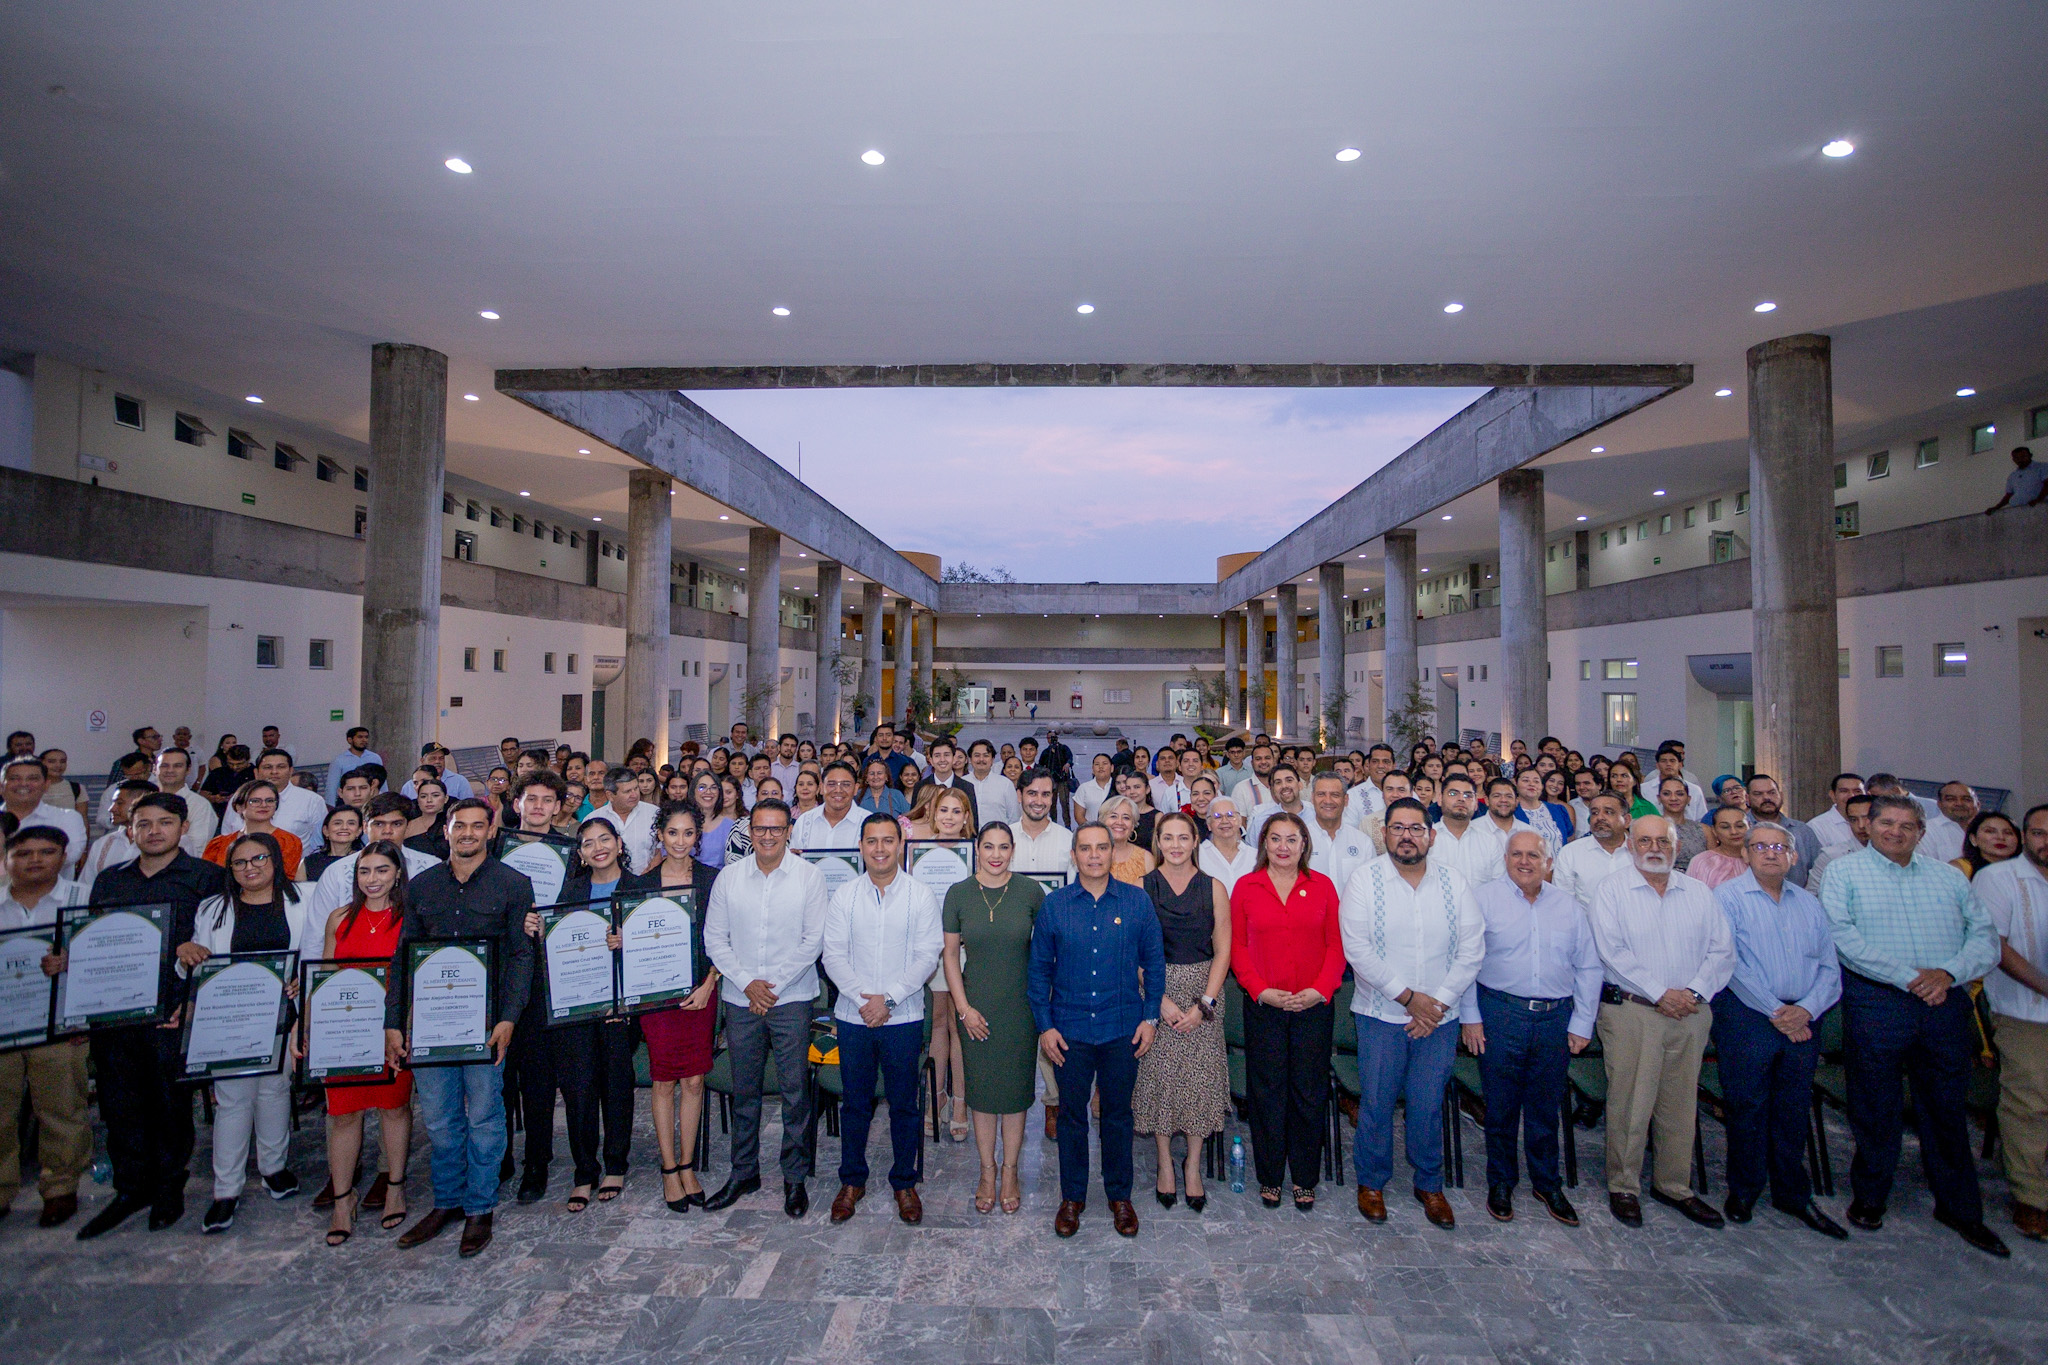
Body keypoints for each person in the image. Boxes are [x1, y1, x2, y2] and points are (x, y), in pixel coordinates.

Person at [1820, 794, 2008, 1256]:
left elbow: (1983, 937)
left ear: (1921, 833)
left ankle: (1959, 1207)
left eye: (1907, 826)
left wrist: (1946, 974)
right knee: (1875, 1105)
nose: (1896, 832)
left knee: (1946, 1107)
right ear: (1868, 826)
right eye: (1887, 823)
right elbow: (1842, 936)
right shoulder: (1844, 873)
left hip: (1944, 1002)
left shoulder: (1949, 877)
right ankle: (1870, 1197)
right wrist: (1909, 977)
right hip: (1878, 1000)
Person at [71, 793, 225, 1237]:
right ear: (129, 830)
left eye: (164, 822)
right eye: (144, 824)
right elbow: (93, 942)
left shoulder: (207, 879)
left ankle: (169, 1187)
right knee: (119, 1103)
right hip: (114, 1012)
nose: (154, 831)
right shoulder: (109, 881)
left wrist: (189, 1004)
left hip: (171, 1012)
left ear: (182, 827)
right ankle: (130, 1187)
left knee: (168, 1102)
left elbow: (214, 945)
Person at [385, 799, 532, 1259]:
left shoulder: (513, 884)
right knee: (442, 1121)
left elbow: (521, 957)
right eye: (458, 826)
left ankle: (479, 1208)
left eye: (476, 826)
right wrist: (394, 1021)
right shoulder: (422, 886)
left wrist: (509, 1017)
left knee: (485, 1119)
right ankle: (446, 1201)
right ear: (445, 831)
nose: (467, 833)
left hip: (486, 1024)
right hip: (430, 1026)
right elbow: (403, 956)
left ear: (491, 831)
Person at [1339, 799, 1484, 1228]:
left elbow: (1472, 947)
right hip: (1381, 1014)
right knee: (1378, 1103)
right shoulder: (1364, 880)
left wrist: (1434, 1002)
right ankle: (1372, 1182)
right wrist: (1408, 998)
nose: (1407, 835)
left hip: (1438, 1019)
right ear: (1384, 834)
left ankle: (1429, 1184)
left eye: (1415, 828)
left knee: (1426, 1104)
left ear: (1430, 836)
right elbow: (1358, 949)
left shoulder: (1454, 882)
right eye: (1398, 828)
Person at [1588, 815, 1736, 1229]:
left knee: (1680, 1103)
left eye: (1664, 841)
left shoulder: (1700, 892)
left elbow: (1722, 951)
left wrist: (1693, 992)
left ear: (1676, 846)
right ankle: (1624, 1185)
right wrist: (1661, 993)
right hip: (1635, 1011)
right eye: (1645, 840)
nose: (1655, 847)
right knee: (1632, 1103)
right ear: (1630, 844)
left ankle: (1674, 1185)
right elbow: (1611, 951)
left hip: (1690, 1012)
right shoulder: (1612, 890)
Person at [1710, 822, 1846, 1238]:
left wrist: (1804, 1010)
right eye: (1760, 846)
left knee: (1792, 1109)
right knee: (1747, 1106)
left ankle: (1792, 1193)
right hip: (1749, 1016)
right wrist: (1777, 1011)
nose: (1771, 853)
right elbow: (1731, 962)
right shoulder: (1726, 898)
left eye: (1779, 847)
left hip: (1804, 1019)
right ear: (1746, 855)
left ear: (1793, 856)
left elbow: (1829, 969)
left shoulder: (1809, 904)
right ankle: (1744, 1189)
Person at [1458, 830, 1600, 1225]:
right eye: (1516, 854)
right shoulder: (1483, 900)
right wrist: (1471, 1016)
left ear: (1548, 862)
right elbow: (1466, 960)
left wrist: (1582, 1021)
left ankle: (1546, 1182)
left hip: (1556, 1017)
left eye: (1533, 855)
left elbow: (1588, 966)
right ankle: (1501, 1181)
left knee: (1545, 1105)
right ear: (1506, 859)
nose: (1524, 861)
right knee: (1500, 1107)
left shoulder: (1569, 907)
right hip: (1501, 1013)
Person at [1030, 822, 1163, 1239]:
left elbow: (1155, 965)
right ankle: (1072, 1198)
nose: (1093, 855)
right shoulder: (1055, 906)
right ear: (1074, 856)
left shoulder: (1138, 902)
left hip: (1122, 1028)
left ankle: (1119, 1197)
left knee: (1118, 1115)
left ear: (1112, 853)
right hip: (1069, 1031)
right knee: (1071, 1117)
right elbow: (1038, 972)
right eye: (1085, 848)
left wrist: (1151, 1017)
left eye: (1101, 848)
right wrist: (1045, 1027)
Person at [702, 798, 828, 1218]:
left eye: (776, 829)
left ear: (789, 830)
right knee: (745, 1091)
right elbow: (715, 939)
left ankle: (794, 1177)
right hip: (741, 999)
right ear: (749, 832)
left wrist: (769, 986)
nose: (768, 836)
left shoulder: (809, 878)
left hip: (790, 998)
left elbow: (813, 941)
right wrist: (746, 982)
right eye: (760, 829)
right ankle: (744, 1172)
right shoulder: (729, 878)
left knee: (794, 1092)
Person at [183, 832, 309, 1232]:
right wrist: (187, 955)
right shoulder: (213, 908)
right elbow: (195, 962)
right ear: (230, 869)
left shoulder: (302, 902)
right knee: (233, 1099)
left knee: (274, 1091)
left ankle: (274, 1168)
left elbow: (319, 953)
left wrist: (301, 985)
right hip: (229, 1018)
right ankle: (226, 1189)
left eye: (258, 859)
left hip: (281, 1015)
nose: (250, 868)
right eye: (240, 863)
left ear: (275, 861)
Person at [822, 813, 941, 1226]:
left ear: (900, 844)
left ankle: (904, 1182)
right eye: (871, 841)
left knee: (904, 1105)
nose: (879, 849)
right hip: (853, 1017)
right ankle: (852, 1180)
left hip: (903, 1016)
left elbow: (927, 955)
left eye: (887, 840)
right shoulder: (844, 896)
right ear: (860, 846)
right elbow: (832, 954)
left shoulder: (920, 895)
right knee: (855, 1103)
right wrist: (862, 999)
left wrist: (887, 999)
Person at [308, 842, 415, 1245]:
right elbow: (327, 976)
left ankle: (395, 1187)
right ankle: (342, 1199)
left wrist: (402, 1027)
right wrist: (312, 1026)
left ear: (398, 874)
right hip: (345, 1032)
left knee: (394, 1109)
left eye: (382, 870)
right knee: (344, 1116)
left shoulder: (409, 919)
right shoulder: (339, 919)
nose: (373, 880)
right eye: (365, 871)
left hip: (390, 1030)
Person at [943, 821, 1046, 1215]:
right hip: (975, 1005)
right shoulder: (959, 893)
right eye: (989, 846)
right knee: (983, 1095)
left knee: (1016, 1094)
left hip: (1020, 1007)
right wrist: (964, 1008)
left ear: (1013, 850)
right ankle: (986, 1171)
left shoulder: (1030, 892)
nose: (996, 854)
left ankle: (1010, 1171)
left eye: (1004, 847)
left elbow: (1046, 951)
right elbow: (951, 956)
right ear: (977, 849)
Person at [541, 819, 642, 1211]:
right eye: (588, 843)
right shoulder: (569, 892)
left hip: (620, 1008)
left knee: (616, 1085)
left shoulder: (638, 888)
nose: (597, 848)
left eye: (605, 839)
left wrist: (627, 943)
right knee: (578, 1088)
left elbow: (655, 949)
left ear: (618, 843)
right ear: (579, 853)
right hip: (577, 1007)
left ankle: (616, 1164)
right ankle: (584, 1170)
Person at [1133, 812, 1232, 1211]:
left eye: (1183, 838)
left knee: (1199, 1080)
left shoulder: (1214, 887)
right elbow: (1134, 953)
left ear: (1196, 841)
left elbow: (1224, 949)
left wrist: (1204, 1005)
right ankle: (1163, 1164)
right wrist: (1159, 999)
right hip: (1156, 990)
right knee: (1159, 1078)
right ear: (1158, 840)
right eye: (1168, 838)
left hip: (1204, 990)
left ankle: (1192, 1165)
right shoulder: (1141, 888)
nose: (1176, 845)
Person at [626, 802, 721, 1213]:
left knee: (695, 1081)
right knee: (664, 1081)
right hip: (656, 997)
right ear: (660, 836)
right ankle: (668, 1169)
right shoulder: (637, 885)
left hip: (701, 991)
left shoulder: (713, 881)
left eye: (688, 833)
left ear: (697, 838)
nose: (680, 841)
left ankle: (687, 1165)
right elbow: (626, 942)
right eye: (672, 833)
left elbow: (725, 938)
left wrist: (709, 983)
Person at [0, 826, 90, 1227]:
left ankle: (60, 1188)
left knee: (61, 1108)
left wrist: (75, 961)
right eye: (23, 853)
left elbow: (110, 956)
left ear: (64, 856)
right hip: (3, 1025)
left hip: (59, 1023)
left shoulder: (82, 899)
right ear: (7, 859)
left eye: (47, 851)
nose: (35, 859)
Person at [1972, 803, 2048, 1240]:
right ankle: (2032, 1198)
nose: (2045, 841)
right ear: (2024, 837)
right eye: (2037, 832)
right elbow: (1995, 946)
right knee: (2031, 1103)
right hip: (2025, 1012)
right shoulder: (1998, 879)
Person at [219, 749, 327, 849]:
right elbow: (227, 835)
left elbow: (321, 842)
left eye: (281, 767)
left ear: (291, 771)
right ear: (256, 772)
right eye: (267, 767)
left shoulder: (312, 800)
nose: (274, 772)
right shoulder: (241, 797)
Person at [203, 780, 303, 880]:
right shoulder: (219, 844)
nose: (264, 805)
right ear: (239, 807)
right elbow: (208, 880)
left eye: (270, 800)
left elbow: (285, 879)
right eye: (255, 801)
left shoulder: (288, 841)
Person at [2, 757, 88, 872]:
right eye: (14, 778)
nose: (23, 783)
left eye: (32, 778)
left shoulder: (67, 818)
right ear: (1, 786)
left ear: (46, 785)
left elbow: (70, 856)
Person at [1554, 793, 1634, 908]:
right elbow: (1563, 902)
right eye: (1594, 813)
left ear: (1626, 820)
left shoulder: (1640, 852)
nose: (1600, 817)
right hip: (1585, 924)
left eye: (1609, 812)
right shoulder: (1570, 853)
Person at [1429, 773, 1505, 887]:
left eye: (1468, 795)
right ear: (1440, 799)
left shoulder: (1490, 841)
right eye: (1453, 793)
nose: (1461, 799)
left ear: (1476, 804)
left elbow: (1499, 886)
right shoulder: (1425, 838)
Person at [1306, 772, 1375, 892]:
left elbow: (1371, 886)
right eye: (1321, 794)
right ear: (1312, 798)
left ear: (1346, 800)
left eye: (1335, 795)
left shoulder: (1363, 842)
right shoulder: (1300, 839)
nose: (1328, 801)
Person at [1742, 773, 1820, 873]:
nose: (1766, 797)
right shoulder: (1740, 830)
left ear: (1781, 795)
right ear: (1747, 799)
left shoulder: (1802, 830)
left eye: (1772, 792)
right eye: (1758, 794)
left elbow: (1818, 870)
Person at [151, 748, 218, 857]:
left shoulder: (199, 805)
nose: (170, 770)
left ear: (188, 770)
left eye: (177, 766)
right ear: (154, 769)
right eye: (164, 765)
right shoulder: (143, 802)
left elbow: (197, 851)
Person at [590, 768, 656, 874]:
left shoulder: (654, 813)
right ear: (610, 795)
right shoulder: (593, 820)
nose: (634, 795)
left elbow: (659, 850)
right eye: (627, 791)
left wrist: (649, 875)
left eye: (636, 788)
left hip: (646, 882)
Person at [792, 761, 870, 851]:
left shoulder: (868, 823)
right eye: (831, 784)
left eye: (846, 784)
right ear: (821, 787)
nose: (838, 790)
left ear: (856, 788)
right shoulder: (804, 821)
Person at [1806, 794, 1876, 894]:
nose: (1861, 825)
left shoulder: (1894, 854)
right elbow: (1812, 897)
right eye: (1853, 820)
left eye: (1866, 819)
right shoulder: (1831, 856)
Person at [1197, 795, 1256, 894]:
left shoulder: (1255, 856)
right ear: (1209, 824)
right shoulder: (1198, 855)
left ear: (1240, 821)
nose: (1224, 821)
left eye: (1230, 815)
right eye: (1217, 816)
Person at [1686, 806, 1753, 888]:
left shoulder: (1761, 857)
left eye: (1739, 826)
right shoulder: (1701, 861)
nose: (1734, 832)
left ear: (1750, 826)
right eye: (1725, 827)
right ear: (1714, 831)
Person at [1097, 795, 1154, 885]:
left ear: (1133, 826)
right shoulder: (1092, 855)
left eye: (1126, 817)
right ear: (1102, 822)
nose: (1119, 822)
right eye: (1113, 816)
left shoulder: (1146, 858)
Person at [964, 739, 1023, 826]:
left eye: (986, 755)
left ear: (992, 759)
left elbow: (1014, 818)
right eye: (977, 755)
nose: (981, 759)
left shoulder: (1005, 784)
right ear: (970, 759)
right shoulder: (962, 783)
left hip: (998, 838)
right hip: (967, 838)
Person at [1658, 775, 1708, 870]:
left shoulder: (1704, 830)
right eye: (1666, 794)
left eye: (1680, 794)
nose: (1673, 798)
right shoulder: (1650, 828)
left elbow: (1713, 864)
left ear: (1688, 799)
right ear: (1659, 798)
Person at [304, 804, 363, 884]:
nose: (344, 827)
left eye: (351, 823)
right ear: (326, 830)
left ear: (359, 831)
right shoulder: (308, 862)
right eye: (337, 823)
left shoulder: (364, 860)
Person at [1809, 772, 1866, 855]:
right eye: (1844, 791)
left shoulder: (1875, 822)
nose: (1851, 796)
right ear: (1832, 795)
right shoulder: (1817, 826)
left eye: (1857, 791)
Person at [325, 727, 384, 805]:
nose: (364, 740)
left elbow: (382, 782)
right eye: (360, 737)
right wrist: (331, 809)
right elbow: (331, 788)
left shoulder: (375, 758)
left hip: (372, 801)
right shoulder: (339, 761)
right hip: (348, 801)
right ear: (350, 740)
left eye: (366, 737)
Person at [1954, 810, 2021, 878]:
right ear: (1973, 839)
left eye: (2008, 833)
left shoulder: (2026, 868)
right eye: (1990, 831)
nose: (2001, 837)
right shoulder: (1959, 869)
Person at [689, 771, 735, 869]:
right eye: (702, 787)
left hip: (719, 880)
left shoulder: (730, 826)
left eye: (713, 788)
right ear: (693, 791)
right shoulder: (682, 822)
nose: (708, 792)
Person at [1984, 443, 2047, 513]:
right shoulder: (2012, 476)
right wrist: (1996, 507)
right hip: (2018, 510)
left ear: (2030, 455)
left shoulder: (2042, 467)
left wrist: (2038, 500)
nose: (2020, 460)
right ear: (2013, 459)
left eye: (2023, 456)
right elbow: (2009, 495)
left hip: (2040, 508)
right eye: (2016, 458)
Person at [405, 776, 451, 859]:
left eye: (435, 795)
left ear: (446, 798)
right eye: (423, 796)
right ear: (418, 800)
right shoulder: (407, 825)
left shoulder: (451, 824)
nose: (429, 800)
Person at [1074, 752, 1116, 824]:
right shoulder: (1084, 788)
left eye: (1104, 763)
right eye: (1097, 764)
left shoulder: (1118, 787)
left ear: (1112, 768)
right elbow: (1079, 816)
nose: (1101, 767)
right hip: (1091, 832)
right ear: (1093, 769)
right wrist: (1093, 830)